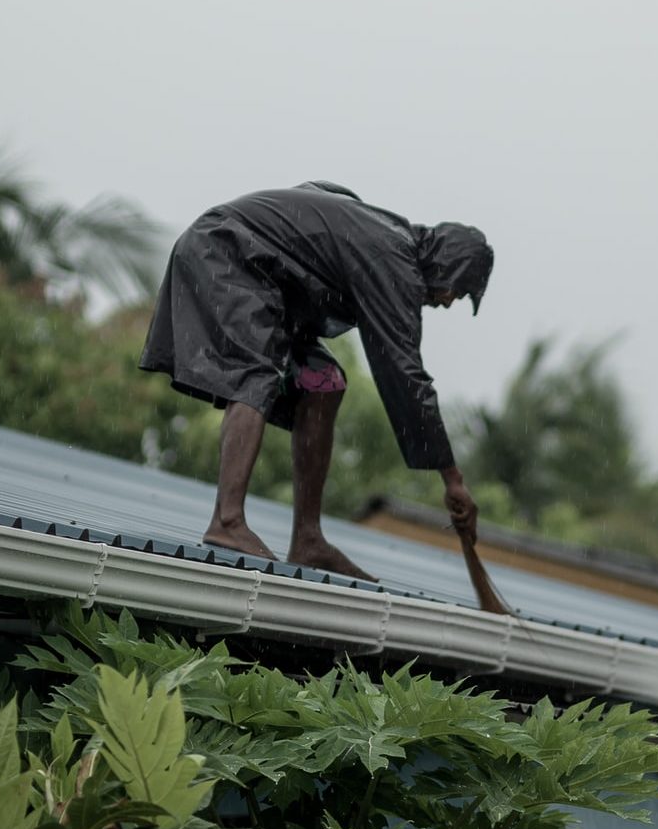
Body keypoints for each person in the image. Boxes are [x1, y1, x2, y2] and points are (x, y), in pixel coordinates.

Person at [140, 181, 493, 578]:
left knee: (324, 383)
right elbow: (404, 372)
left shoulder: (384, 240)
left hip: (267, 282)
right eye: (457, 291)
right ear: (450, 263)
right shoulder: (392, 258)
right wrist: (452, 478)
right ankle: (227, 521)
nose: (447, 302)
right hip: (226, 252)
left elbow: (317, 201)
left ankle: (308, 540)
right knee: (259, 371)